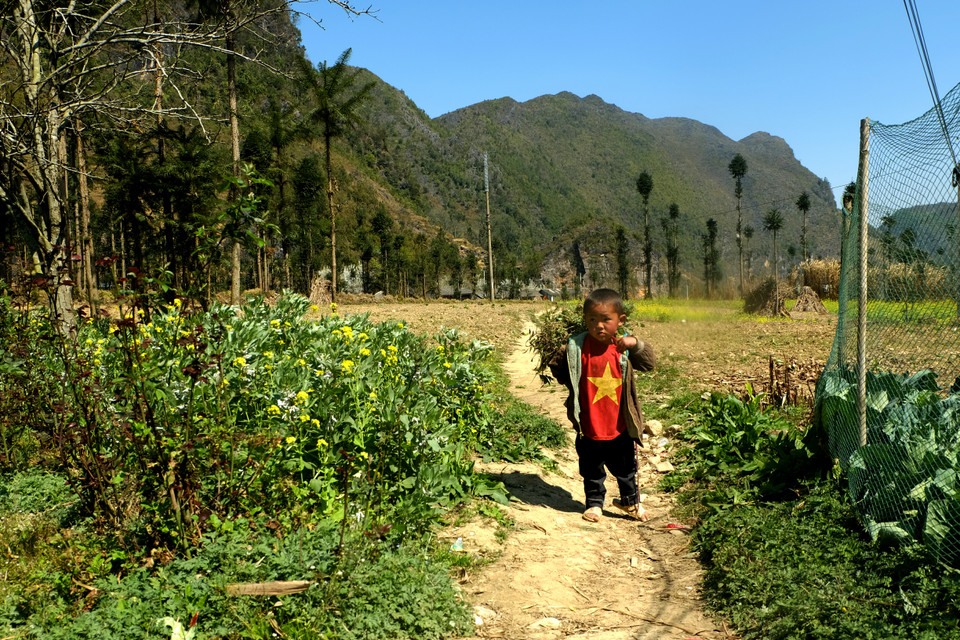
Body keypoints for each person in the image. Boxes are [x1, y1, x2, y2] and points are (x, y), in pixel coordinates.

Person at [547, 288, 656, 522]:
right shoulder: (576, 347)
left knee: (626, 468)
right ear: (585, 319)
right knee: (591, 469)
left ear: (620, 320)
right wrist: (571, 382)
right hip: (589, 424)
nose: (599, 326)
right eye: (592, 320)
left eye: (606, 319)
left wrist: (635, 343)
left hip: (619, 425)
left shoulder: (623, 347)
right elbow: (558, 367)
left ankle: (630, 502)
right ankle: (594, 504)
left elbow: (649, 364)